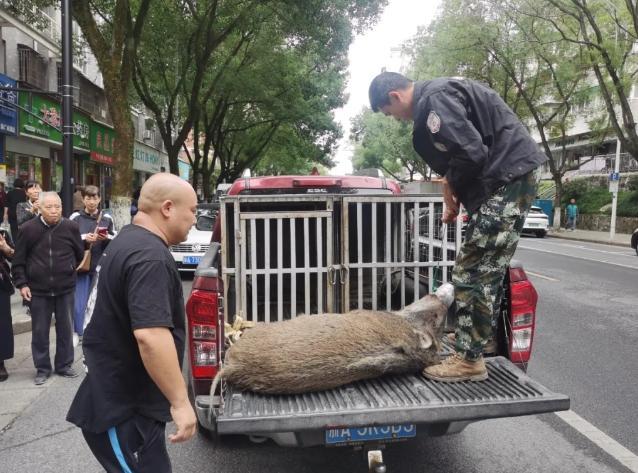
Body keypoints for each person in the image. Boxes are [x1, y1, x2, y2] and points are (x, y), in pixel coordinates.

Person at [369, 72, 546, 382]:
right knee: (483, 270)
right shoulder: (437, 95)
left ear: (395, 97)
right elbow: (468, 152)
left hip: (507, 178)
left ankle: (469, 361)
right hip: (508, 177)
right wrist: (453, 189)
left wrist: (451, 183)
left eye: (389, 113)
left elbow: (470, 153)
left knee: (472, 271)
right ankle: (471, 343)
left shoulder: (434, 101)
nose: (395, 119)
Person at [67, 173, 198, 472]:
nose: (194, 219)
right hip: (123, 411)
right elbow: (150, 335)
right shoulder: (149, 256)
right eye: (191, 210)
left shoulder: (129, 238)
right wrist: (180, 402)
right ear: (167, 208)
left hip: (132, 406)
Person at [11, 192, 84, 385]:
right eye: (49, 207)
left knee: (66, 329)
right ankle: (42, 368)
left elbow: (78, 254)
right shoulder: (27, 229)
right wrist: (22, 284)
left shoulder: (71, 227)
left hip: (65, 288)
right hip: (38, 290)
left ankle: (64, 365)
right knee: (40, 331)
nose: (54, 211)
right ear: (39, 208)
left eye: (57, 207)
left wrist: (68, 269)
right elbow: (19, 260)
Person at [70, 185, 114, 345]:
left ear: (100, 199)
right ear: (83, 199)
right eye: (88, 198)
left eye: (95, 198)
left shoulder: (107, 218)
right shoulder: (75, 217)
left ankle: (91, 332)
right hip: (81, 266)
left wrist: (105, 237)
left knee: (95, 302)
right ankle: (77, 331)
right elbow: (67, 238)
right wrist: (83, 238)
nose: (91, 201)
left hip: (98, 265)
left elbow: (114, 241)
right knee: (79, 303)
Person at [0, 228, 15, 382]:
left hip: (0, 284)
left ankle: (0, 362)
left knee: (2, 323)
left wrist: (5, 248)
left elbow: (15, 256)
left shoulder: (2, 233)